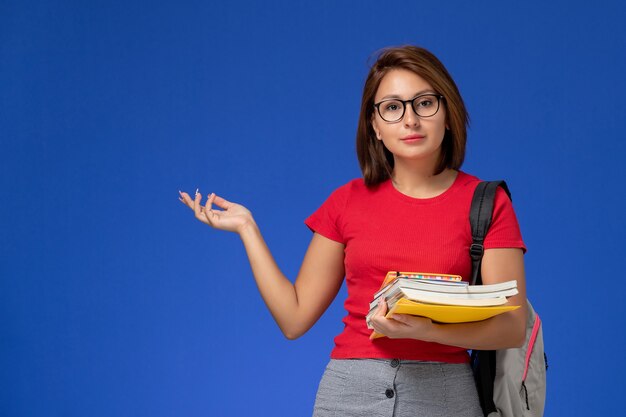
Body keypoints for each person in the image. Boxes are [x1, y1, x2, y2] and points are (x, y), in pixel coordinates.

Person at [178, 45, 527, 417]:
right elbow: (294, 319)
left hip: (444, 397)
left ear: (448, 113)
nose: (410, 119)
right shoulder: (346, 202)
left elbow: (510, 326)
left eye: (424, 103)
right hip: (349, 394)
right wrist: (247, 228)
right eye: (392, 108)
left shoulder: (487, 203)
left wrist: (426, 331)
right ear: (375, 126)